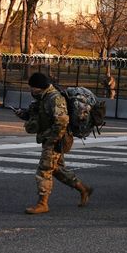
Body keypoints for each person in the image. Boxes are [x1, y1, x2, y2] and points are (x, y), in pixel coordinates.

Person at [16, 72, 93, 214]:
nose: (31, 90)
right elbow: (41, 115)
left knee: (44, 169)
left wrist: (52, 140)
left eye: (32, 88)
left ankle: (42, 203)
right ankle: (84, 189)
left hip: (56, 140)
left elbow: (62, 121)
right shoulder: (43, 97)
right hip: (50, 138)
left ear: (39, 87)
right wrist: (24, 114)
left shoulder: (54, 98)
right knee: (57, 169)